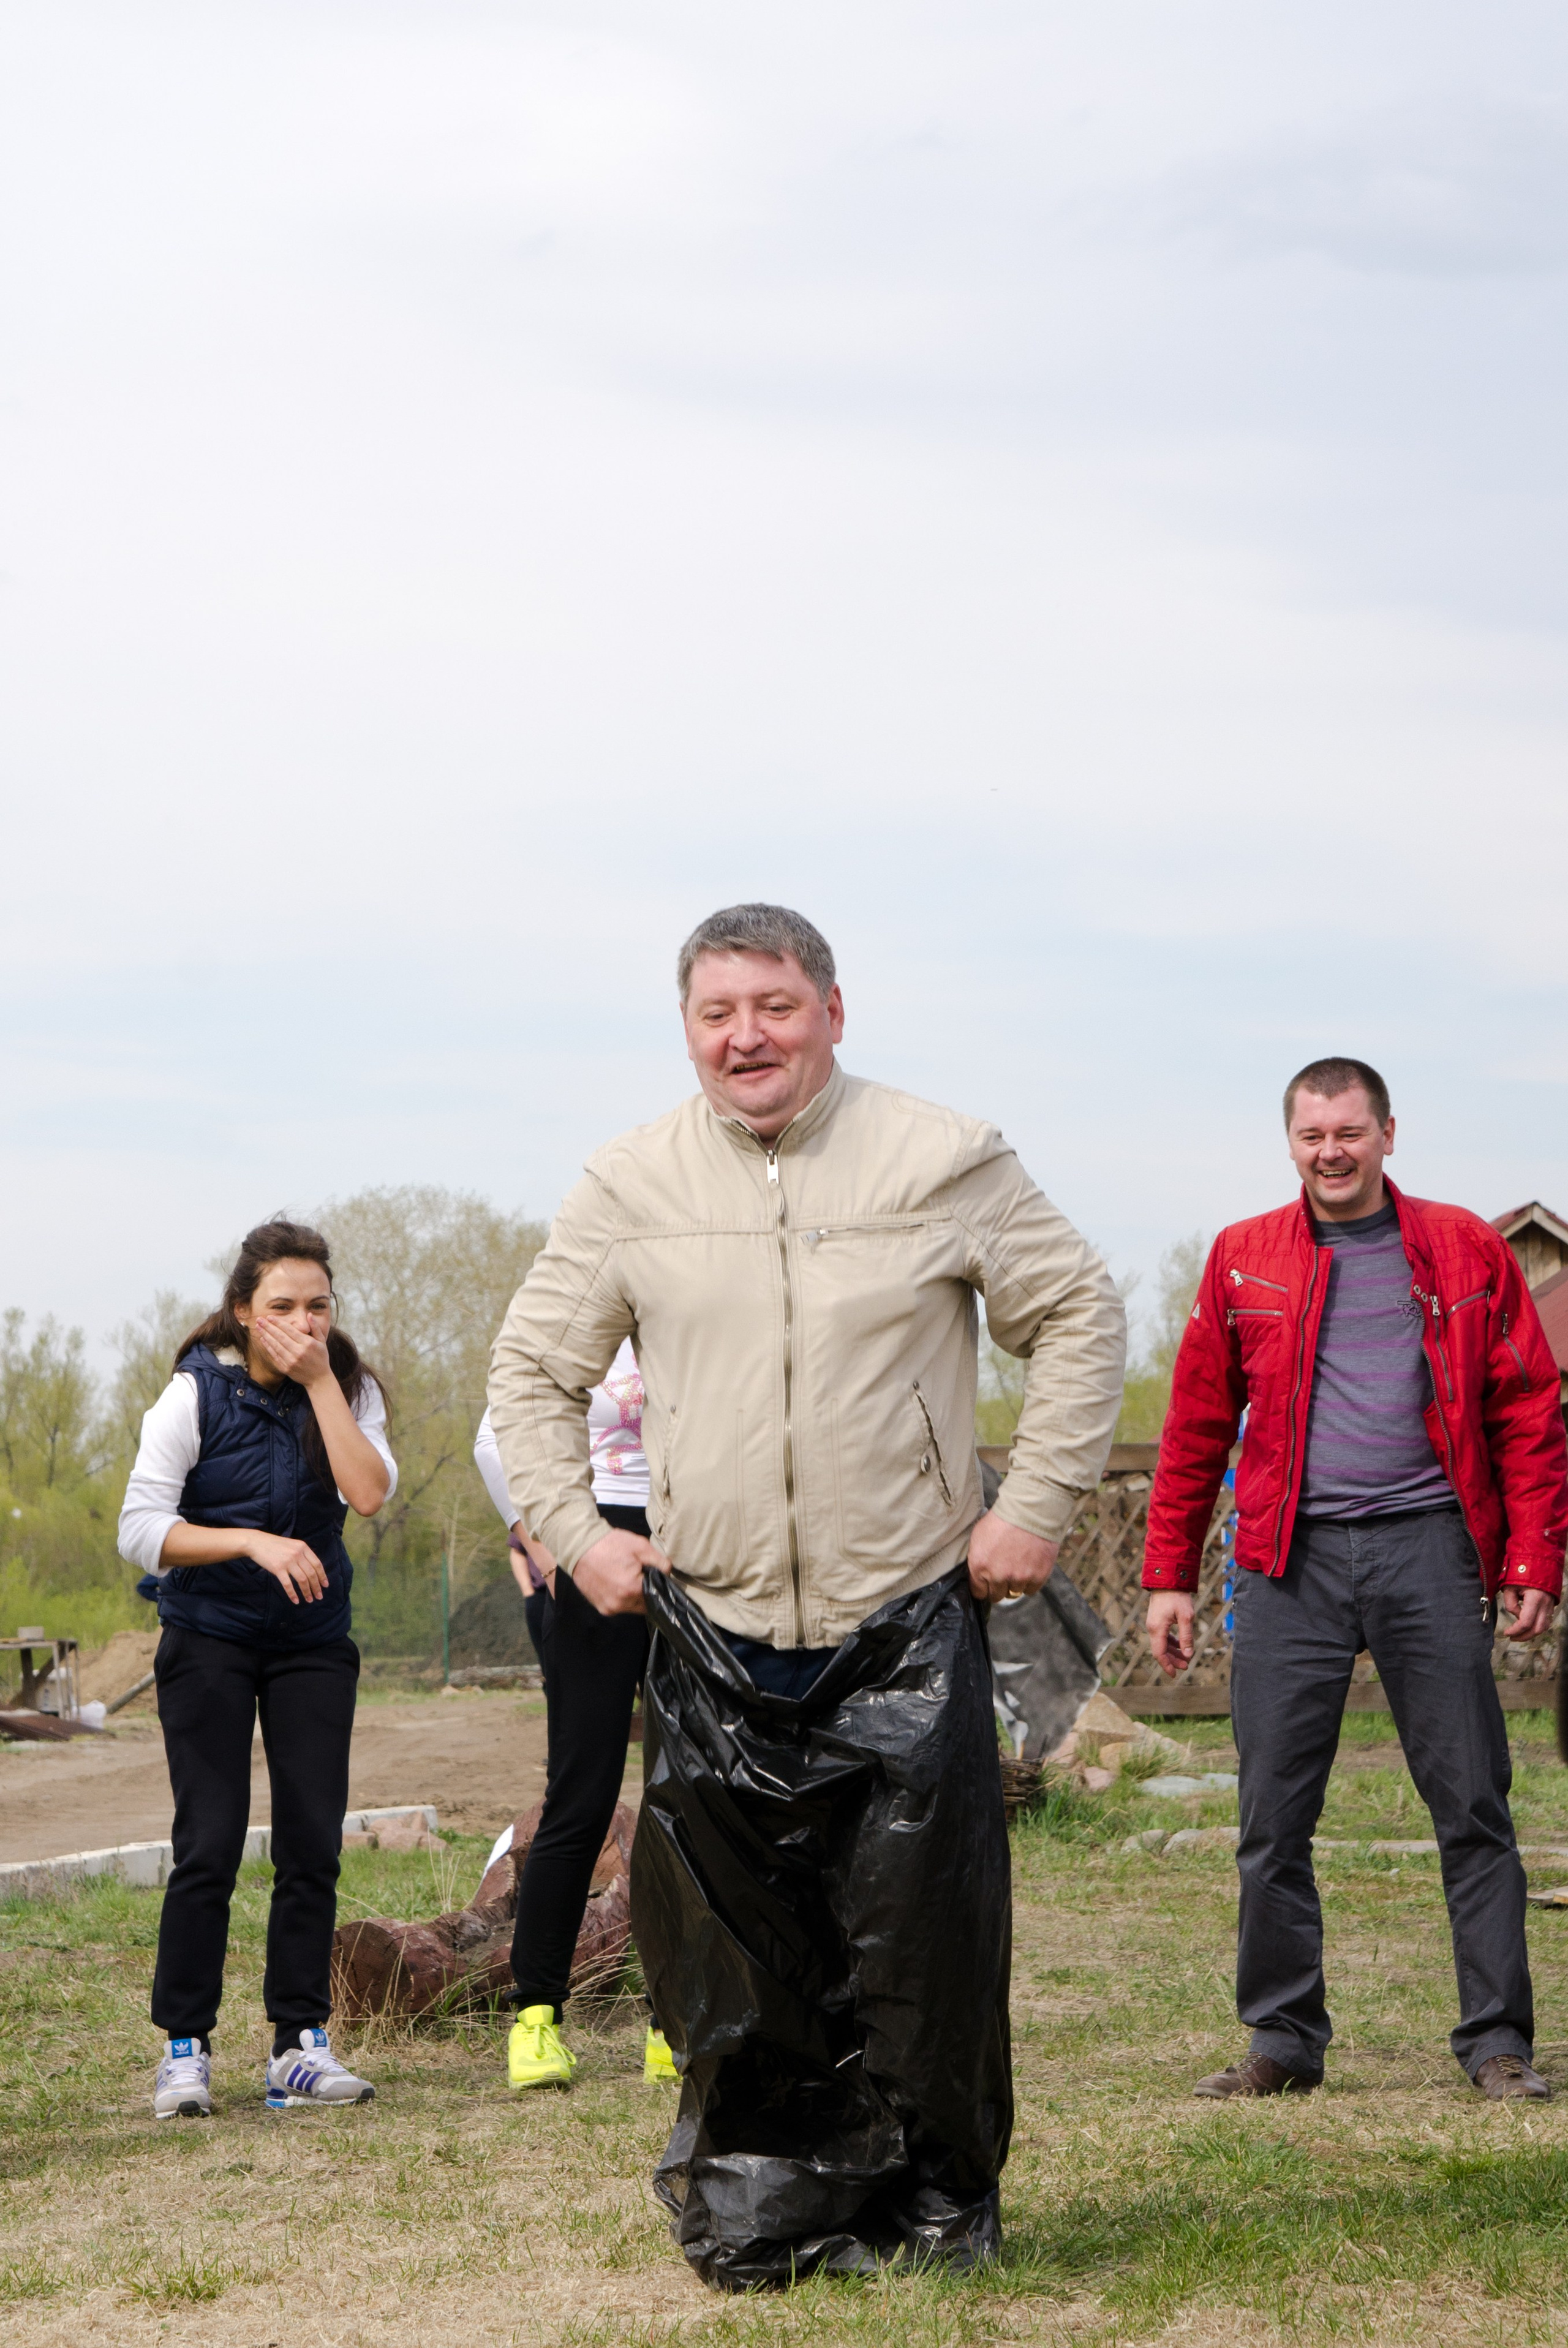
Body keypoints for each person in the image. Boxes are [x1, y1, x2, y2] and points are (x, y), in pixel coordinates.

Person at [488, 903, 1125, 2286]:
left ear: (833, 1010)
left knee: (920, 1944)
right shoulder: (629, 1182)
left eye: (772, 1006)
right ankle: (769, 2208)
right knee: (734, 1951)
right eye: (716, 1013)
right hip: (714, 1631)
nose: (745, 1037)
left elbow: (1075, 1308)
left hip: (900, 1620)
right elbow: (529, 1374)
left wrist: (1033, 1503)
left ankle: (936, 2201)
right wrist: (577, 1534)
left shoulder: (941, 1156)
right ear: (686, 1029)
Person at [1144, 1058, 1568, 2102]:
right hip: (1291, 1563)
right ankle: (1283, 2042)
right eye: (1311, 1135)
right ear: (1291, 1142)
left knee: (1472, 1801)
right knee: (1272, 1815)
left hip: (1430, 1547)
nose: (1330, 1151)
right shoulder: (1245, 1259)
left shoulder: (1466, 1247)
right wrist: (1170, 1576)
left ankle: (1498, 2043)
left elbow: (1526, 1411)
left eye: (1349, 1132)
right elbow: (1197, 1422)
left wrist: (1530, 1556)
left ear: (1387, 1133)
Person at [118, 1219, 396, 2120]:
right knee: (211, 1842)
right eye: (282, 1305)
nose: (302, 1321)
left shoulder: (347, 1388)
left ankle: (297, 2048)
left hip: (313, 1641)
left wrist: (322, 1385)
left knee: (313, 1841)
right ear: (242, 1312)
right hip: (209, 1637)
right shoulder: (193, 1396)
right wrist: (249, 1540)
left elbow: (369, 1491)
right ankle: (185, 2049)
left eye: (318, 1306)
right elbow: (139, 1530)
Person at [473, 1338, 677, 2088]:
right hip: (592, 1543)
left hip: (695, 1549)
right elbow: (496, 1435)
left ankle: (676, 2018)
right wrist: (545, 1543)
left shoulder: (697, 1297)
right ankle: (536, 2018)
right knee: (582, 1792)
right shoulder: (569, 1314)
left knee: (687, 1793)